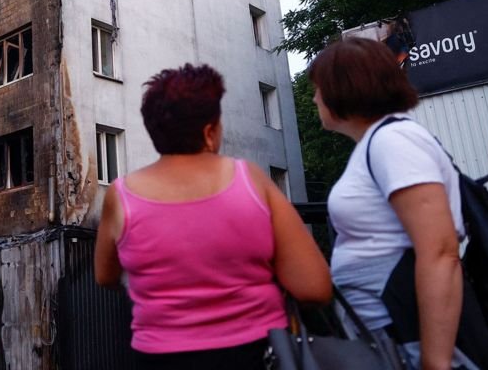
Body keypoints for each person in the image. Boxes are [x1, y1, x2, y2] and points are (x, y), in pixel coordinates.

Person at [94, 63, 331, 370]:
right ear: (209, 132)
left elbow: (105, 276)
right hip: (258, 353)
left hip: (160, 358)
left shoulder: (121, 195)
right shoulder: (250, 179)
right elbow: (314, 288)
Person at [309, 37, 488, 370]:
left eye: (319, 88)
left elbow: (440, 251)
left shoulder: (393, 141)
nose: (315, 97)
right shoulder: (379, 142)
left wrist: (435, 361)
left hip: (411, 338)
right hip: (397, 336)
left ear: (343, 87)